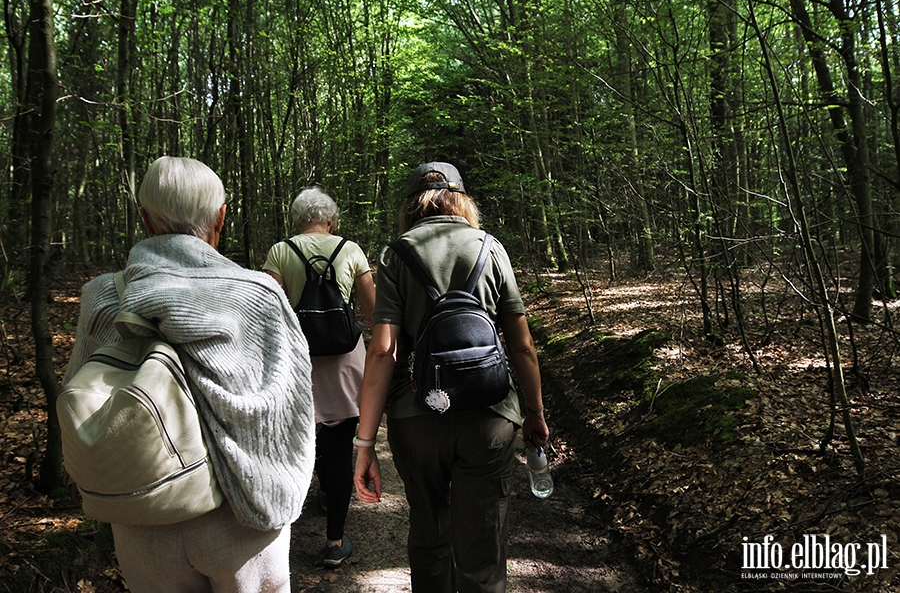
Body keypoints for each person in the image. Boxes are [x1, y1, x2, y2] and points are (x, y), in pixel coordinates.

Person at [63, 156, 316, 593]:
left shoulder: (103, 295)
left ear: (145, 218)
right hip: (246, 517)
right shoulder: (259, 294)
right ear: (220, 217)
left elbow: (81, 394)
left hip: (146, 507)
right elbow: (293, 404)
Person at [353, 162, 550, 593]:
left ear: (410, 204)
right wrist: (534, 413)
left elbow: (383, 349)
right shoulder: (490, 248)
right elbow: (521, 346)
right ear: (462, 199)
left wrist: (365, 442)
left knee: (429, 533)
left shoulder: (395, 254)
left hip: (415, 417)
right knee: (483, 546)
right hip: (490, 414)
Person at [263, 187, 375, 568]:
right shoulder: (350, 249)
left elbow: (267, 311)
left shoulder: (281, 251)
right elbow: (372, 308)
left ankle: (285, 527)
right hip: (345, 358)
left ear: (297, 219)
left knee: (300, 440)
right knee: (341, 441)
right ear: (331, 219)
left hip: (300, 361)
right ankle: (334, 540)